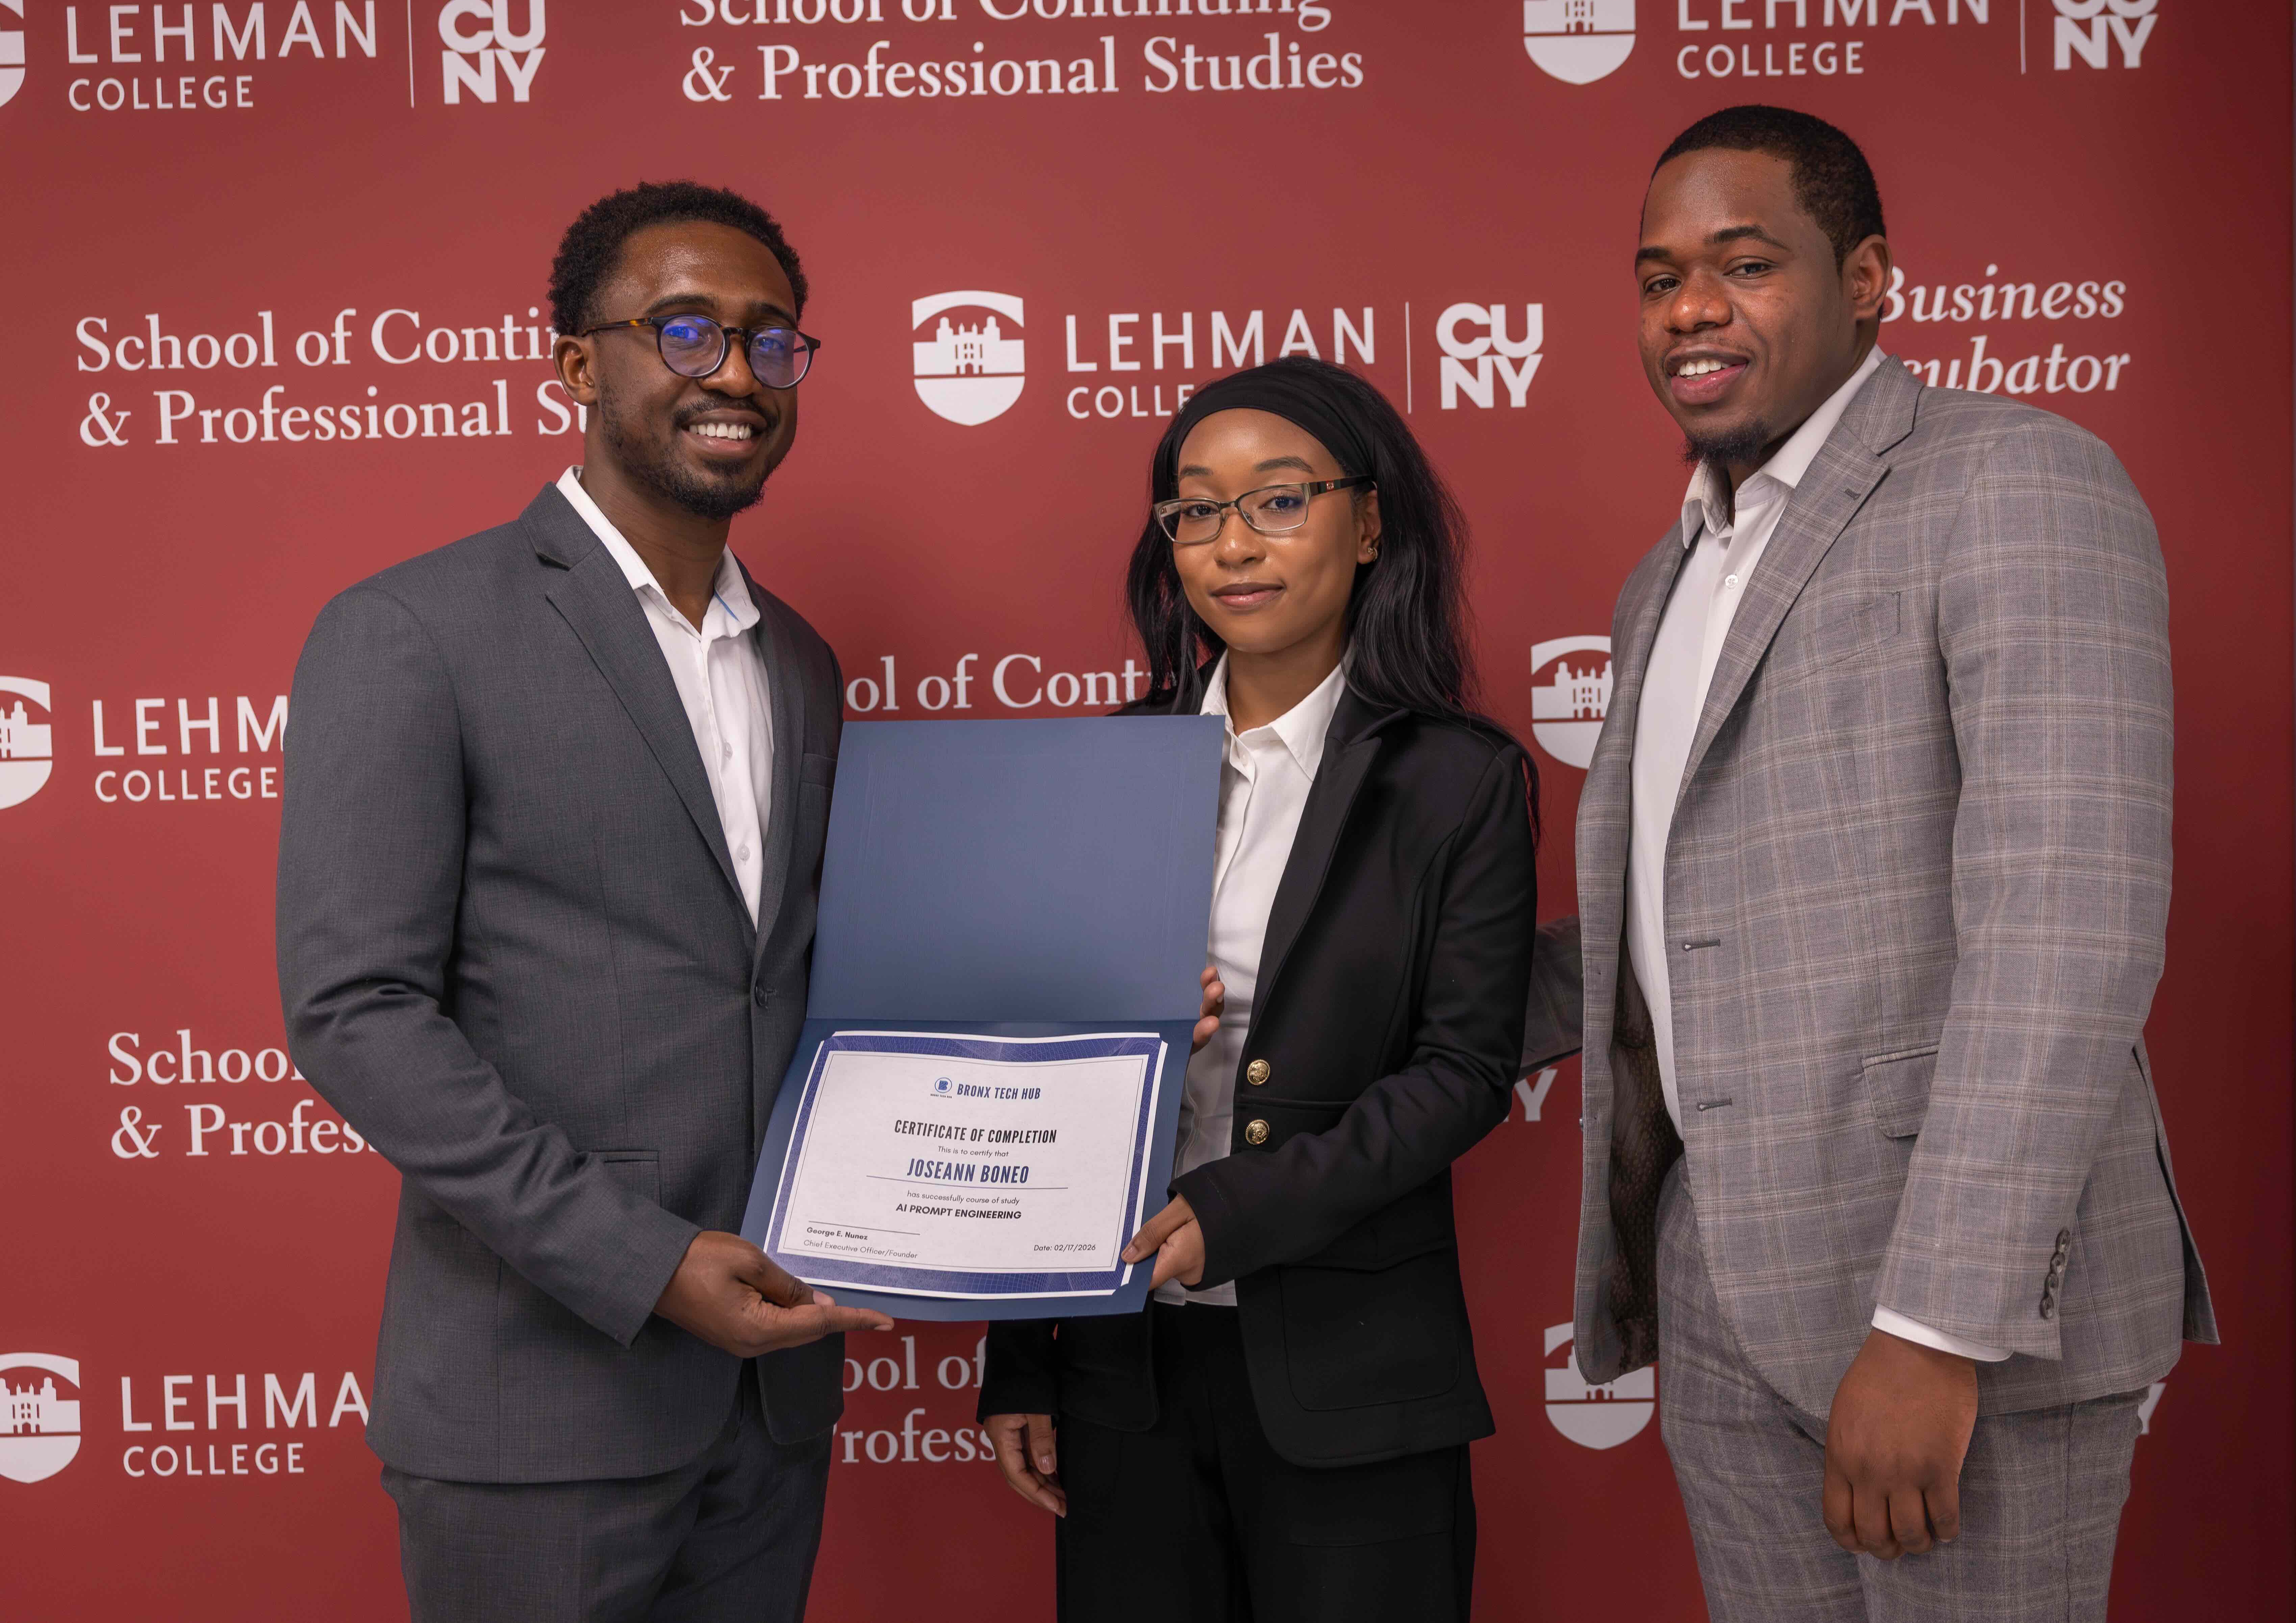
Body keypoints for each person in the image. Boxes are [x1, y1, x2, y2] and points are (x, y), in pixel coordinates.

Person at [1536, 105, 2219, 1620]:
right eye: (1656, 278)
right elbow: (1681, 921)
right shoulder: (1669, 572)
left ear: (1868, 280)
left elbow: (2068, 926)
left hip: (1945, 1306)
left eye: (1742, 263)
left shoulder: (2017, 481)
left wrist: (1931, 1325)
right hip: (1719, 1278)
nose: (1688, 311)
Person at [276, 181, 893, 1623]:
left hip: (769, 1407)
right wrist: (647, 1258)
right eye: (684, 332)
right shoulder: (412, 630)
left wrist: (1079, 1017)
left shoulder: (798, 664)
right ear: (574, 365)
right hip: (537, 1409)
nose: (735, 373)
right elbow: (356, 1013)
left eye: (769, 340)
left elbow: (796, 987)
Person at [977, 357, 1537, 1622]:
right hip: (1124, 1377)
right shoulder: (1109, 770)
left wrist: (1238, 1209)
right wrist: (1021, 1358)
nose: (1234, 544)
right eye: (1196, 510)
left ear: (1371, 519)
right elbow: (1034, 1070)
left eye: (1279, 501)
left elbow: (1460, 1077)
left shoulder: (1456, 782)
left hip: (1356, 1379)